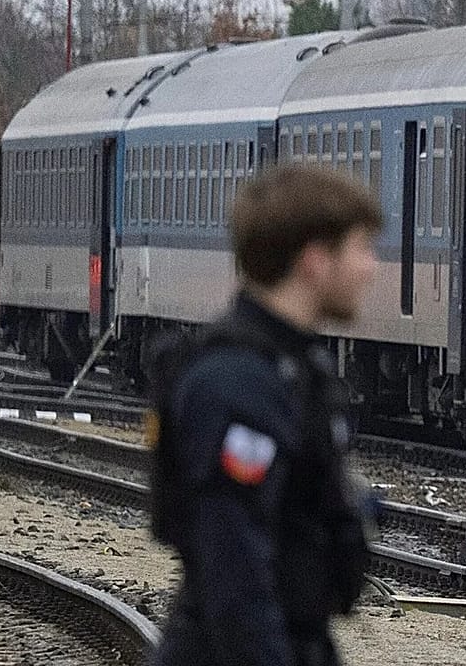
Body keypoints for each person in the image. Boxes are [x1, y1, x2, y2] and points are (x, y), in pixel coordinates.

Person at [151, 165, 383, 666]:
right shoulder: (238, 385)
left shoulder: (296, 370)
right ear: (315, 261)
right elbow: (235, 578)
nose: (373, 268)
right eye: (362, 248)